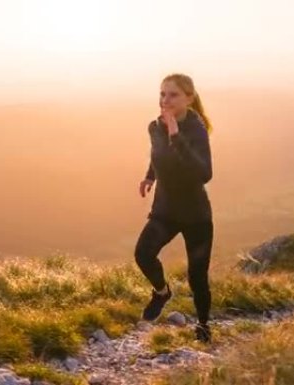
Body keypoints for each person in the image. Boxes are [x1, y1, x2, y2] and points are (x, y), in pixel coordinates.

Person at [134, 73, 214, 343]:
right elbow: (158, 156)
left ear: (189, 98)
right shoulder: (154, 126)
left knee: (197, 276)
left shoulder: (196, 129)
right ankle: (161, 292)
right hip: (165, 210)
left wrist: (176, 135)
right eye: (162, 94)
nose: (165, 100)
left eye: (173, 95)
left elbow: (204, 174)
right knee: (143, 254)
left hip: (196, 215)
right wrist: (149, 176)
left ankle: (203, 326)